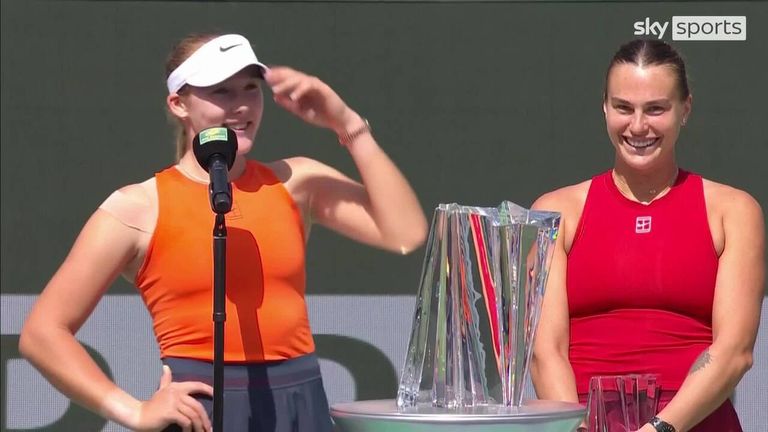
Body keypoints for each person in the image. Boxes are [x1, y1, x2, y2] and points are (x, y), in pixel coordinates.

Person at [19, 33, 428, 432]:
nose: (242, 105)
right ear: (179, 104)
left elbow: (405, 232)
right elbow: (42, 334)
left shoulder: (295, 182)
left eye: (251, 88)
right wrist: (132, 412)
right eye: (221, 91)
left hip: (300, 404)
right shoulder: (138, 206)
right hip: (200, 411)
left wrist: (348, 123)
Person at [530, 39, 764, 432]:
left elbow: (734, 352)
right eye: (623, 107)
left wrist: (659, 429)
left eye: (655, 109)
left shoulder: (734, 211)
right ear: (604, 108)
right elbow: (544, 351)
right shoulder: (555, 212)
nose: (638, 126)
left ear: (685, 109)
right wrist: (576, 428)